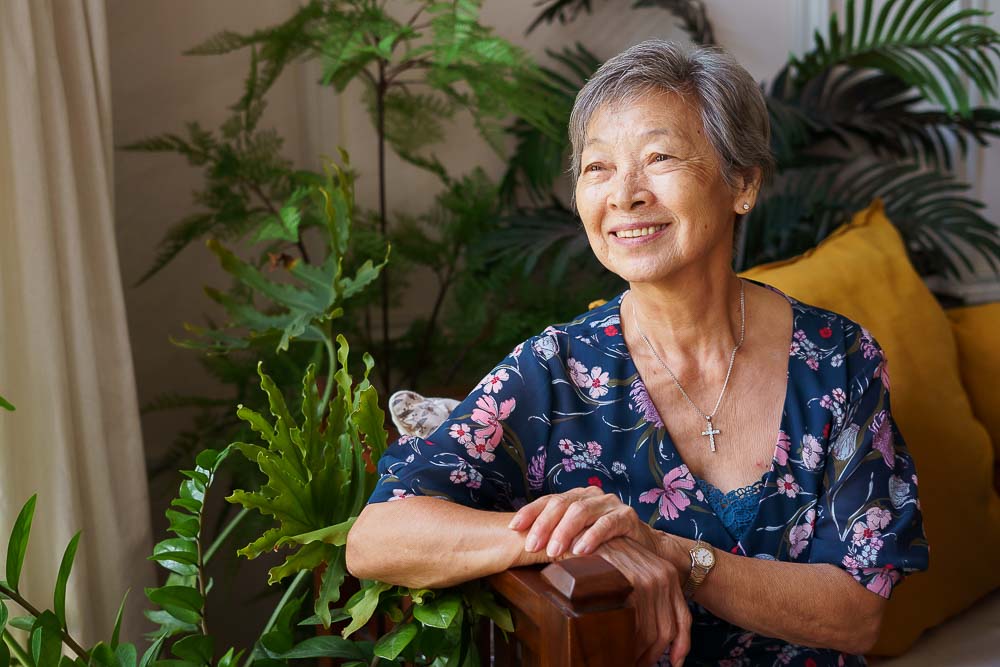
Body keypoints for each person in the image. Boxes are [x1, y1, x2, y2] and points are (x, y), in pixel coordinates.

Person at [346, 39, 929, 666]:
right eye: (598, 168)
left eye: (659, 157)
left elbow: (858, 613)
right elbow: (378, 537)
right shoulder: (556, 372)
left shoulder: (837, 358)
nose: (624, 194)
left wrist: (669, 552)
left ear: (743, 183)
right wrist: (577, 540)